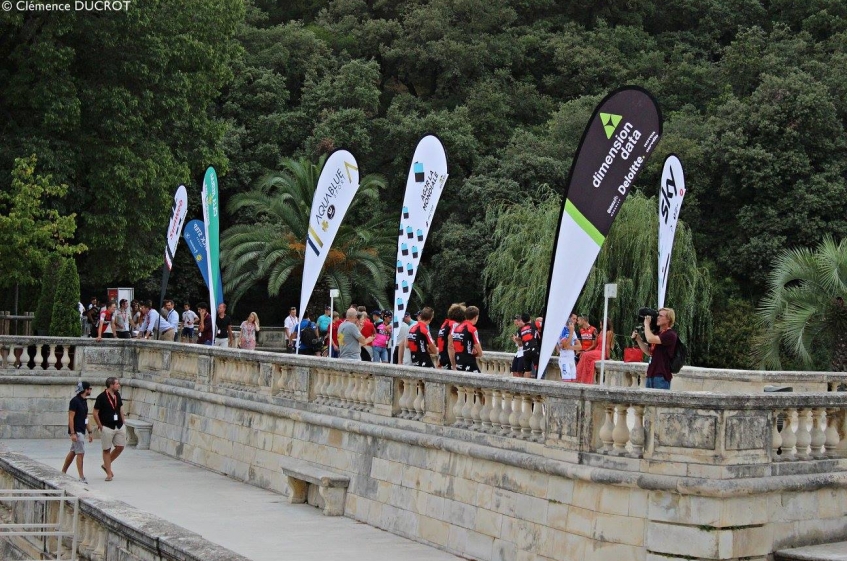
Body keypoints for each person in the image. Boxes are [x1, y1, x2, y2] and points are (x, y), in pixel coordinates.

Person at [632, 308, 678, 389]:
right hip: (650, 374)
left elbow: (650, 339)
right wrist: (638, 339)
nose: (657, 317)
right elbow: (649, 351)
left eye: (660, 316)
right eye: (658, 315)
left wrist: (647, 324)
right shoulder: (657, 333)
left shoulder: (670, 334)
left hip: (661, 376)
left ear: (668, 319)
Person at [93, 377, 125, 481]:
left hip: (118, 425)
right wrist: (100, 425)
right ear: (111, 385)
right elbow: (95, 412)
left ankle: (106, 465)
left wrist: (123, 421)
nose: (118, 385)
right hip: (106, 426)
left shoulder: (117, 395)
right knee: (106, 449)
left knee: (120, 447)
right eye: (117, 384)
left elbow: (120, 408)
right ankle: (109, 473)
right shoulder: (101, 397)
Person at [61, 381, 93, 483]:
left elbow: (85, 418)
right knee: (80, 453)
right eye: (89, 388)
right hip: (77, 431)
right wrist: (72, 433)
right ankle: (81, 477)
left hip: (81, 430)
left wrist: (90, 431)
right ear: (85, 390)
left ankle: (63, 472)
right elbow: (71, 417)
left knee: (73, 452)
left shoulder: (84, 401)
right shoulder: (74, 401)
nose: (90, 390)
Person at [576, 318, 614, 384]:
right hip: (597, 350)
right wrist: (596, 336)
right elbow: (596, 344)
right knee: (584, 354)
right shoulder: (601, 331)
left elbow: (608, 345)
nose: (600, 326)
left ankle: (584, 379)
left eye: (601, 324)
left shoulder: (608, 332)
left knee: (586, 355)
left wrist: (608, 357)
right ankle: (582, 378)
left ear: (605, 324)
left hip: (602, 352)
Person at [452, 306, 483, 372]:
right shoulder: (472, 329)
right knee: (480, 378)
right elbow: (479, 352)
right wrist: (477, 354)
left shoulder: (457, 328)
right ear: (476, 317)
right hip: (468, 361)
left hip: (458, 361)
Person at [437, 303, 465, 370]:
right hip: (448, 360)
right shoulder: (454, 325)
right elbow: (450, 346)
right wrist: (454, 366)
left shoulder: (445, 324)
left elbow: (441, 343)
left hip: (442, 359)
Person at [558, 314, 581, 382]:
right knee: (567, 382)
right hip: (564, 359)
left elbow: (580, 346)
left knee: (573, 381)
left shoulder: (572, 331)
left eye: (576, 319)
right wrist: (571, 333)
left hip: (571, 358)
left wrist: (569, 347)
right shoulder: (563, 330)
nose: (575, 321)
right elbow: (565, 345)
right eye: (574, 319)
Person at [517, 313, 539, 378]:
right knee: (537, 367)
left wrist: (517, 340)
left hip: (525, 351)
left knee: (527, 370)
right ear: (530, 318)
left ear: (522, 320)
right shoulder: (534, 324)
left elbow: (520, 344)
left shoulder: (520, 330)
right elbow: (543, 321)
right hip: (534, 348)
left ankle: (526, 383)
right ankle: (538, 382)